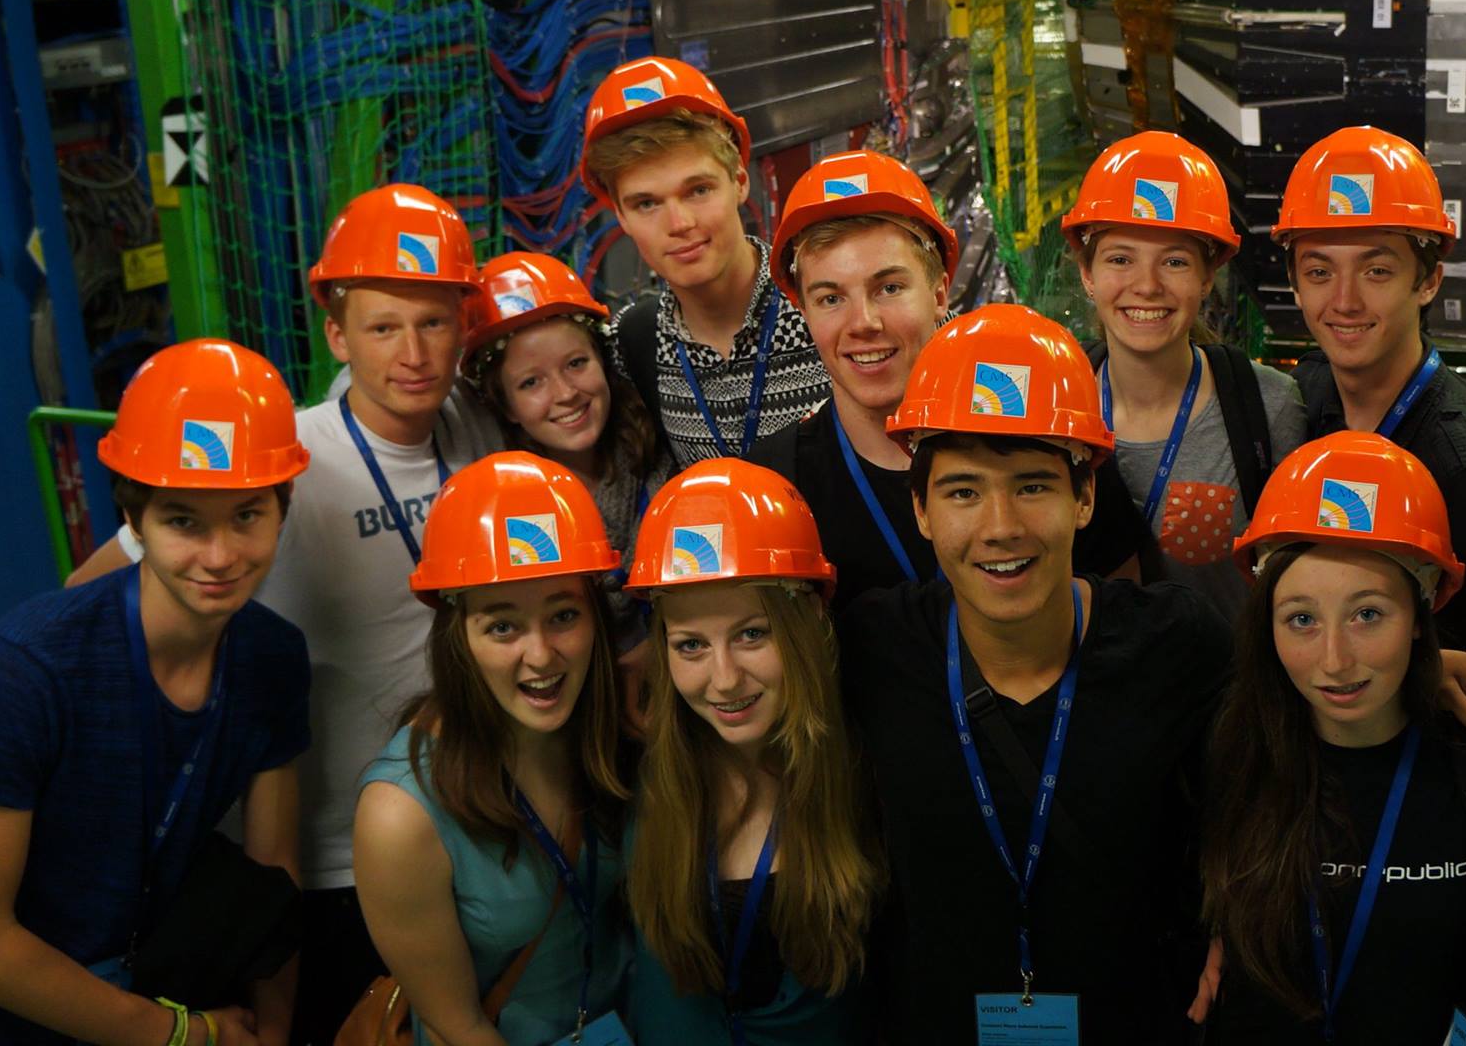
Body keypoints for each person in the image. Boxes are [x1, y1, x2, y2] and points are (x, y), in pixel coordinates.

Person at [837, 302, 1232, 1044]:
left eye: (1032, 485)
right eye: (962, 492)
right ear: (919, 509)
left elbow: (1276, 772)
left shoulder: (1176, 647)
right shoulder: (875, 650)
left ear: (1085, 497)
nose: (1000, 526)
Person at [0, 340, 312, 1045]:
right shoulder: (24, 672)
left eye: (247, 516)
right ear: (133, 520)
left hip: (165, 988)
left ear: (284, 507)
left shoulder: (272, 657)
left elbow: (271, 877)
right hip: (14, 1022)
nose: (220, 557)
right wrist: (184, 1037)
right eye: (183, 520)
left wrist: (273, 1031)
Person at [272, 183, 505, 1040]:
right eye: (381, 327)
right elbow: (113, 579)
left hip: (479, 822)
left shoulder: (474, 426)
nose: (413, 353)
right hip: (337, 860)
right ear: (337, 335)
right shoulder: (291, 459)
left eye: (435, 321)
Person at [1195, 433, 1466, 1044]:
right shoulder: (1225, 755)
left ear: (1420, 616)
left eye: (1368, 614)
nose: (1335, 661)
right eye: (1302, 619)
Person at [749, 150, 1149, 606]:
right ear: (804, 311)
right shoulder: (778, 486)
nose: (863, 322)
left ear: (940, 292)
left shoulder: (1049, 427)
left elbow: (1125, 619)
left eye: (890, 288)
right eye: (829, 298)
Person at [353, 452, 633, 1045]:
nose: (540, 655)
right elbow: (457, 1025)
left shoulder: (612, 735)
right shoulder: (401, 814)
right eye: (502, 626)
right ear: (459, 636)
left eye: (562, 615)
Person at [622, 459, 878, 1043]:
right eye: (690, 645)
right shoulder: (641, 783)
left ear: (810, 616)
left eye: (751, 634)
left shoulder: (869, 771)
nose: (725, 679)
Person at [1278, 126, 1466, 667]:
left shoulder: (1465, 473)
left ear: (1429, 281)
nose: (1344, 301)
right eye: (1319, 272)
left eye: (1377, 271)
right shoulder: (1309, 390)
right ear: (1296, 285)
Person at [1062, 130, 1307, 620]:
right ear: (1088, 274)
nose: (1147, 286)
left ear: (1206, 276)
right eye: (1120, 259)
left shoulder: (1267, 408)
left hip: (1228, 692)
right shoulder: (1055, 404)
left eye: (1174, 261)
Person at [583, 57, 828, 468]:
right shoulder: (633, 345)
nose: (680, 224)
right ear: (621, 217)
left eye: (698, 190)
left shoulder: (830, 304)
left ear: (739, 180)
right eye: (647, 203)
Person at [463, 250, 676, 655]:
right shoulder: (506, 516)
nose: (564, 394)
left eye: (577, 363)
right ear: (506, 406)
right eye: (531, 383)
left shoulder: (658, 460)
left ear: (603, 361)